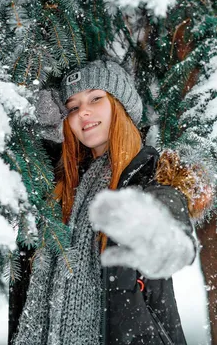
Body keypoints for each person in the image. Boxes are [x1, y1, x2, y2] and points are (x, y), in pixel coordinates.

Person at [13, 60, 210, 345]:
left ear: (120, 104)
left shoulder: (149, 174)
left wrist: (164, 232)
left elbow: (168, 205)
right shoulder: (64, 185)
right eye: (73, 107)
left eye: (96, 98)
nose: (84, 112)